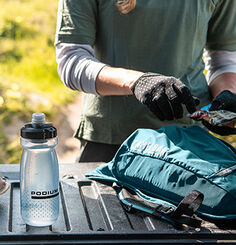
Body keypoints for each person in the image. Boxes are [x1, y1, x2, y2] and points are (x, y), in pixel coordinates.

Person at [55, 0, 236, 162]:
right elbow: (71, 60)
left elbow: (224, 60)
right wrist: (137, 82)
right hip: (111, 142)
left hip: (190, 138)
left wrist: (227, 96)